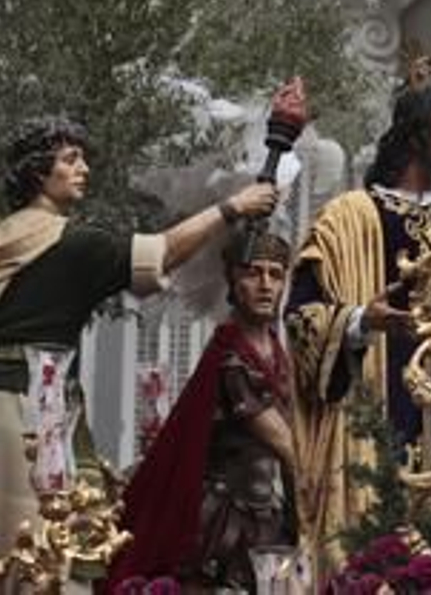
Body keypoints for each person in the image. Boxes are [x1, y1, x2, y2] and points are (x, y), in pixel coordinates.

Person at [0, 117, 278, 555]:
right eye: (70, 159)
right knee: (47, 548)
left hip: (28, 404)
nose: (85, 168)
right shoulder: (71, 244)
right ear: (38, 173)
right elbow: (160, 254)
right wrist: (233, 207)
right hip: (31, 411)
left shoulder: (7, 235)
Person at [284, 79, 431, 568]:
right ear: (414, 135)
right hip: (372, 417)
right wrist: (363, 319)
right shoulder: (348, 217)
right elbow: (301, 315)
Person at [109, 227, 298, 591]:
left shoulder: (275, 351)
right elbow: (290, 449)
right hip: (222, 521)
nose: (265, 285)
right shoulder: (232, 359)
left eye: (275, 274)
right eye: (252, 272)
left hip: (267, 512)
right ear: (232, 279)